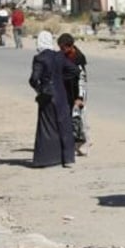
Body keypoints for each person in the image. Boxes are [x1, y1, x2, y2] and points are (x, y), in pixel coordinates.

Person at [29, 30, 79, 168]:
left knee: (46, 127)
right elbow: (75, 70)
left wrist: (40, 88)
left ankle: (46, 159)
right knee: (64, 126)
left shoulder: (39, 58)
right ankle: (68, 159)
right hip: (61, 94)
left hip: (46, 96)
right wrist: (60, 80)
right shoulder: (59, 56)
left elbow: (34, 79)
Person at [58, 33, 89, 155]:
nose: (61, 50)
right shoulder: (62, 56)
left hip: (77, 92)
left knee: (79, 118)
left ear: (69, 47)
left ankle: (83, 145)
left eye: (62, 48)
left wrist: (80, 97)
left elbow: (82, 78)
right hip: (66, 91)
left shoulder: (79, 58)